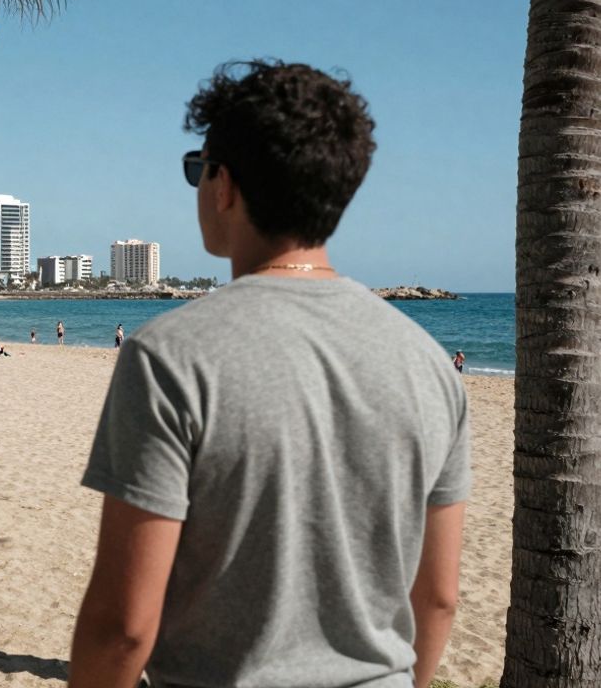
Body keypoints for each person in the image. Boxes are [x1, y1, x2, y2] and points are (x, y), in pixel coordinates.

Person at [70, 61, 469, 688]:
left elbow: (123, 626)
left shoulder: (169, 356)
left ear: (223, 183)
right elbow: (439, 597)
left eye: (196, 168)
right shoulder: (430, 366)